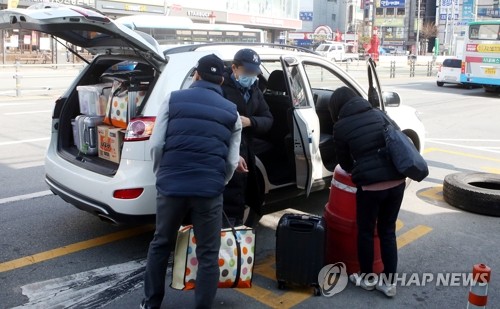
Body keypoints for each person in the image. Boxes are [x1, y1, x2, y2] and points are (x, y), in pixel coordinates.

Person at [141, 54, 244, 309]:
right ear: (221, 79)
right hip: (209, 190)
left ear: (196, 75)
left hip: (171, 185)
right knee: (208, 253)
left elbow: (156, 145)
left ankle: (151, 304)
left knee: (161, 243)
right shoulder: (232, 113)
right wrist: (219, 183)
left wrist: (161, 174)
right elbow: (231, 162)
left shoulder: (173, 99)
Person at [329, 87, 406, 298]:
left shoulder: (341, 126)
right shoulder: (378, 113)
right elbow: (398, 137)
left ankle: (367, 278)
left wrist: (362, 165)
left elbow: (344, 163)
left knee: (366, 231)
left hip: (371, 188)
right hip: (397, 181)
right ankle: (389, 283)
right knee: (388, 231)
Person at [221, 48, 273, 225]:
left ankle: (236, 239)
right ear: (234, 68)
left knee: (242, 197)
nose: (251, 76)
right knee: (227, 201)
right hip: (226, 151)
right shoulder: (221, 87)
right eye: (247, 71)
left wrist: (249, 121)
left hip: (247, 151)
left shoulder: (254, 90)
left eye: (255, 72)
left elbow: (268, 120)